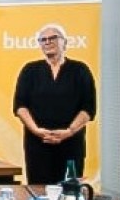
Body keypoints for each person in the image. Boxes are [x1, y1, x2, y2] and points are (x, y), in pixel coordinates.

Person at [13, 24, 96, 184]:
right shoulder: (30, 70)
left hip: (71, 143)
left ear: (65, 42)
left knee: (69, 189)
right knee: (39, 189)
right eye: (43, 39)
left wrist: (69, 131)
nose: (47, 42)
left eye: (52, 38)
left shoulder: (80, 70)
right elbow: (20, 106)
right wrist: (36, 130)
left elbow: (88, 107)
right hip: (38, 143)